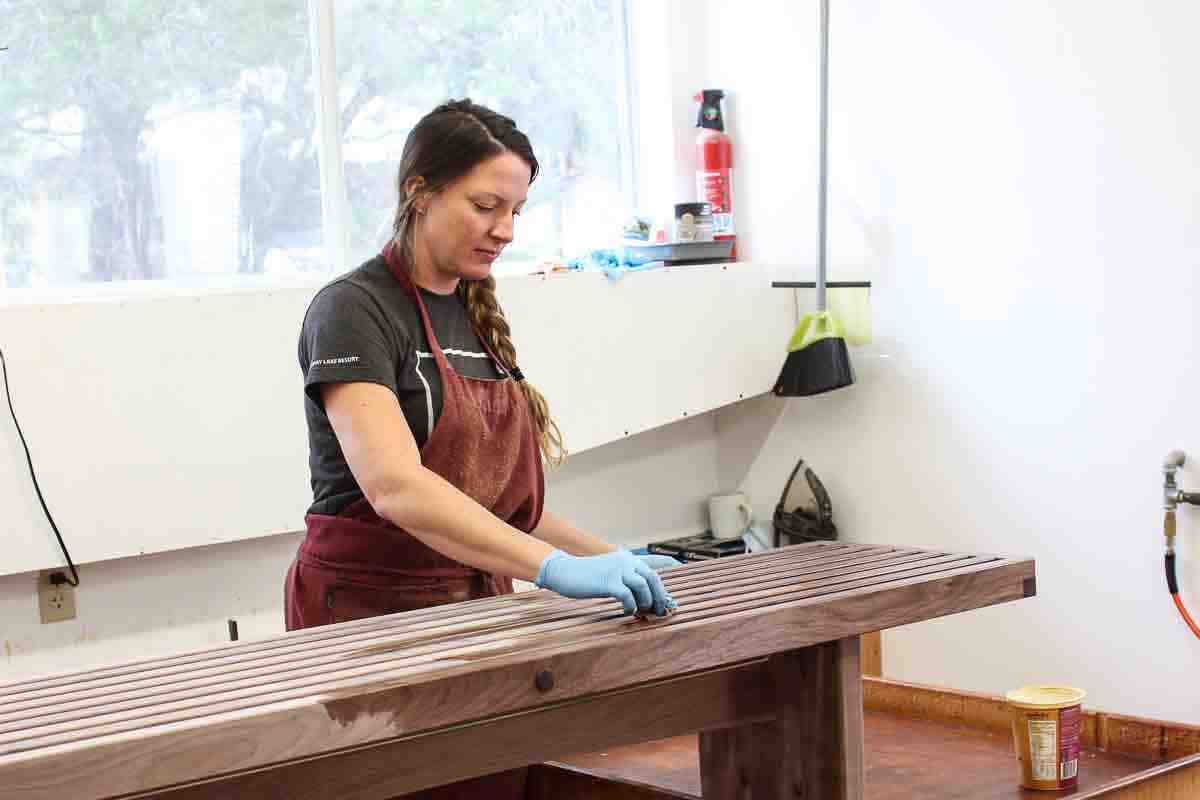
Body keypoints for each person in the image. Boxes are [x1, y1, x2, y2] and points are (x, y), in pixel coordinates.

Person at [284, 99, 678, 799]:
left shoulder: (470, 313)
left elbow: (506, 512)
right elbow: (397, 487)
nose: (505, 230)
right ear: (420, 191)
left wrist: (608, 558)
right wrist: (553, 569)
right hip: (369, 613)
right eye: (486, 205)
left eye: (516, 211)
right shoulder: (353, 310)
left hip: (475, 605)